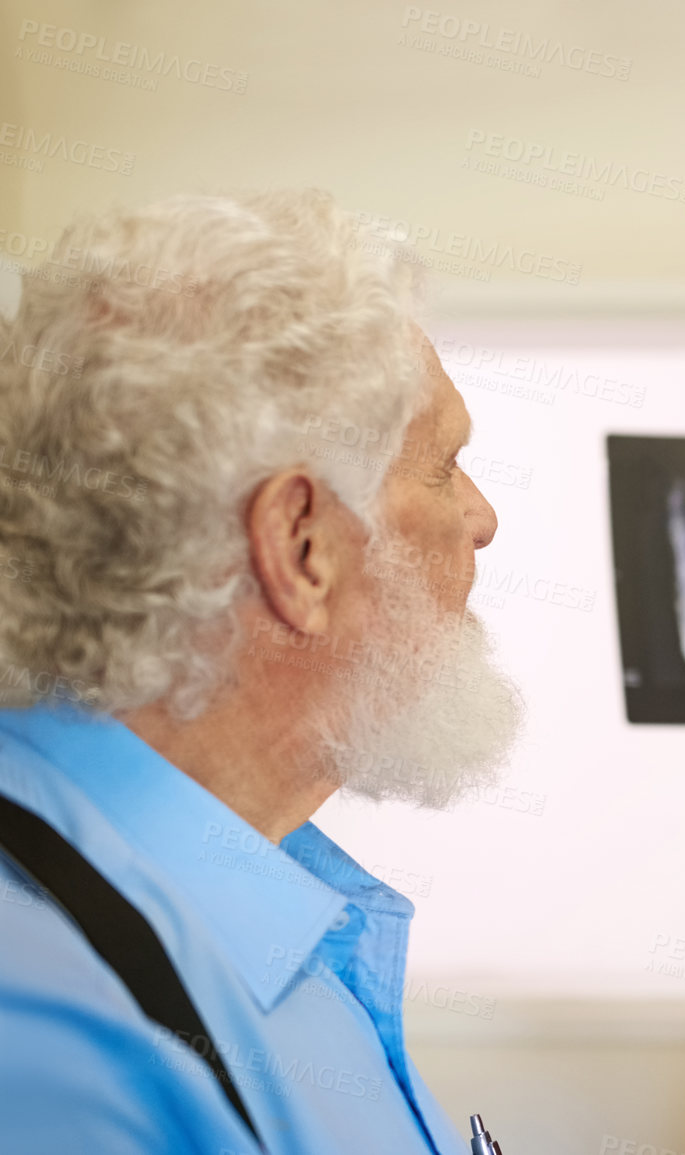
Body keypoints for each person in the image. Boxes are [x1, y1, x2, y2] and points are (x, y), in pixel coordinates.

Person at [0, 191, 521, 1153]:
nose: (482, 518)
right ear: (300, 544)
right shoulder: (50, 1035)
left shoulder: (271, 907)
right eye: (444, 467)